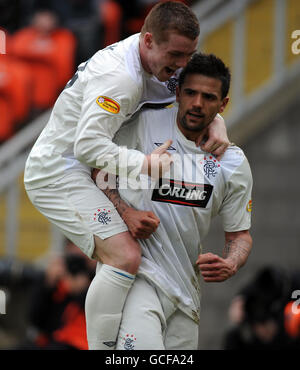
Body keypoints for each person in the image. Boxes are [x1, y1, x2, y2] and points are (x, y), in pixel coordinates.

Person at [24, 1, 229, 349]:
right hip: (57, 174)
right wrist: (145, 164)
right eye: (176, 55)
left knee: (127, 256)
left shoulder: (156, 59)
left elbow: (186, 93)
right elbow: (88, 147)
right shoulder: (120, 79)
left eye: (188, 55)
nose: (182, 66)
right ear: (148, 40)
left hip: (87, 171)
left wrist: (217, 121)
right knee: (124, 255)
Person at [90, 52, 253, 349]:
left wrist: (231, 262)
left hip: (186, 295)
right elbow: (98, 169)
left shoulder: (233, 163)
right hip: (140, 279)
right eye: (190, 93)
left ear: (222, 106)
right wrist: (126, 212)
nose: (197, 103)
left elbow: (239, 235)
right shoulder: (144, 125)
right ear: (177, 92)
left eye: (208, 97)